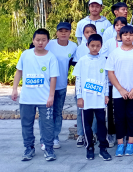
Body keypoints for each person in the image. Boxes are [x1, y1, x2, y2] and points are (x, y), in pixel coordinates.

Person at [11, 28, 60, 162]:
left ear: (48, 41)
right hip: (27, 98)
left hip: (44, 99)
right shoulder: (26, 54)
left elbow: (53, 78)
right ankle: (29, 148)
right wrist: (14, 89)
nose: (40, 43)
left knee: (47, 125)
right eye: (38, 40)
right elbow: (19, 72)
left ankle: (49, 149)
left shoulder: (51, 57)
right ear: (33, 40)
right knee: (26, 124)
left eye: (43, 40)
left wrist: (51, 96)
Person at [105, 25, 133, 157]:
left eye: (130, 35)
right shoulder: (114, 53)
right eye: (125, 35)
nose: (128, 37)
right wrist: (121, 89)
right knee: (119, 118)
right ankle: (120, 143)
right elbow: (110, 73)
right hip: (119, 93)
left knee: (131, 117)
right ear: (120, 36)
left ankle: (130, 142)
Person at [73, 34, 112, 161]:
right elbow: (78, 80)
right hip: (86, 99)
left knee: (101, 124)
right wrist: (79, 96)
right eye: (92, 46)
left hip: (100, 99)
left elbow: (106, 79)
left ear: (101, 46)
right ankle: (89, 147)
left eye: (98, 46)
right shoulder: (82, 61)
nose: (95, 48)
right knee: (87, 125)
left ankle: (103, 148)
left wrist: (106, 94)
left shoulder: (104, 60)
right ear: (87, 45)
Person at [41, 22, 77, 150]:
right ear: (56, 32)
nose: (63, 33)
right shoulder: (49, 44)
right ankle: (44, 139)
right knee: (45, 113)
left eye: (66, 31)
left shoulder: (73, 46)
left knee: (57, 112)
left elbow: (75, 64)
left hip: (61, 85)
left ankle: (55, 137)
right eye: (60, 30)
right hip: (46, 85)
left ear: (70, 32)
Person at [100, 16, 129, 147]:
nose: (119, 27)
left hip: (127, 80)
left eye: (122, 25)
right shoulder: (109, 43)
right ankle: (112, 134)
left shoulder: (130, 42)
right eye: (117, 25)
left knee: (127, 110)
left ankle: (127, 134)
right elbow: (102, 57)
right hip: (112, 81)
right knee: (112, 110)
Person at [73, 24, 98, 147]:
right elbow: (78, 71)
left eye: (92, 32)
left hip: (95, 84)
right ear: (83, 35)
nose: (89, 34)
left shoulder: (99, 46)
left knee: (94, 110)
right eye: (87, 32)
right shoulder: (80, 49)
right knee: (81, 110)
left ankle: (92, 134)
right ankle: (81, 135)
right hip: (83, 85)